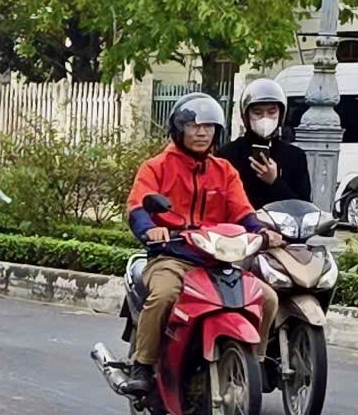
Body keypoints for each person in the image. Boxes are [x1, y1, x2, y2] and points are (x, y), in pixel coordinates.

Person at [116, 94, 278, 382]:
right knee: (164, 295)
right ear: (179, 130)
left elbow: (242, 211)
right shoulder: (157, 167)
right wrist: (150, 229)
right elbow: (137, 206)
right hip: (171, 258)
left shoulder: (224, 170)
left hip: (217, 260)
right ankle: (143, 364)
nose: (202, 133)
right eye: (193, 126)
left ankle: (256, 363)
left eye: (208, 127)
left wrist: (261, 232)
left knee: (267, 298)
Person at [226, 76, 312, 210]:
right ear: (246, 116)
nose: (265, 118)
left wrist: (275, 181)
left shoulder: (295, 156)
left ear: (281, 115)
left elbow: (303, 208)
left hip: (282, 222)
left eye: (272, 112)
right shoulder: (228, 155)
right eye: (257, 112)